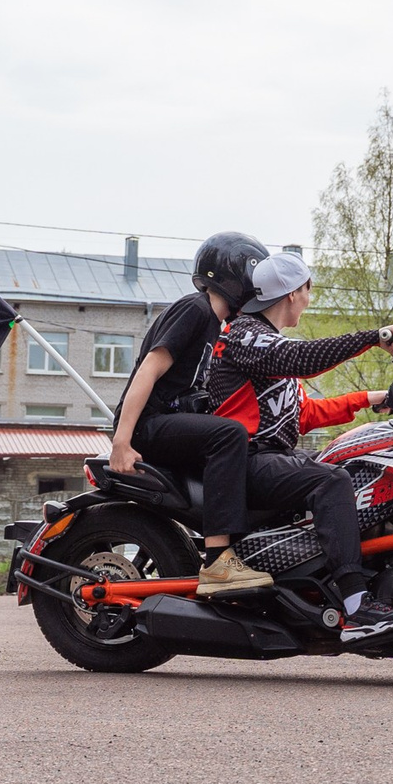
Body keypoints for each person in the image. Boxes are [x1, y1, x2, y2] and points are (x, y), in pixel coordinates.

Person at [203, 250, 393, 641]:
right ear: (292, 293)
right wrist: (374, 337)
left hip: (271, 457)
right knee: (332, 481)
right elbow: (305, 358)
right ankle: (357, 606)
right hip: (246, 460)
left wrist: (375, 399)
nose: (308, 298)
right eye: (307, 290)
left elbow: (303, 415)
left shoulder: (268, 344)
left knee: (352, 468)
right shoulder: (246, 333)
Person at [107, 232, 273, 598]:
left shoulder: (215, 323)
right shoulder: (195, 309)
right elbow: (149, 369)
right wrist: (122, 440)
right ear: (237, 276)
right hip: (148, 424)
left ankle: (244, 548)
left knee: (242, 442)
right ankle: (218, 561)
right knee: (229, 434)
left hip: (164, 422)